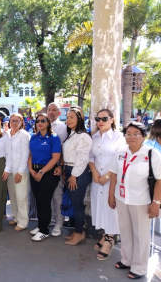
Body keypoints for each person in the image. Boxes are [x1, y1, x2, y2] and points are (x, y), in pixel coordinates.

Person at [109, 122, 161, 279]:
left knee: (141, 234)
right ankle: (127, 260)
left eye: (136, 133)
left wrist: (156, 203)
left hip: (142, 201)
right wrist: (111, 195)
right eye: (128, 134)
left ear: (143, 136)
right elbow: (114, 175)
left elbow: (159, 180)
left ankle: (139, 267)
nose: (131, 137)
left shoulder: (152, 154)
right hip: (121, 198)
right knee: (125, 231)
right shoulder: (120, 152)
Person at [88, 109, 125, 261]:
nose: (100, 121)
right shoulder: (94, 137)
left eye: (104, 118)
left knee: (111, 207)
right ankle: (105, 233)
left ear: (112, 119)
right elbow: (90, 157)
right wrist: (95, 172)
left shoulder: (119, 137)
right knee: (101, 207)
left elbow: (120, 158)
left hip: (113, 178)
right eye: (98, 118)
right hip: (97, 178)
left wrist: (108, 175)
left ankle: (110, 239)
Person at [28, 114, 62, 241]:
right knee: (38, 200)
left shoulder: (54, 138)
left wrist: (41, 172)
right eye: (38, 121)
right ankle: (41, 225)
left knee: (44, 201)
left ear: (48, 123)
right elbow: (30, 155)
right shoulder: (33, 137)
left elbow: (55, 158)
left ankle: (44, 230)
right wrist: (31, 170)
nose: (40, 123)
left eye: (43, 120)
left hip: (47, 172)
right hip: (34, 171)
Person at [62, 107, 92, 246]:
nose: (68, 120)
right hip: (69, 170)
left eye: (72, 117)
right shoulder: (72, 134)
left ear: (79, 118)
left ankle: (79, 233)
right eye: (67, 117)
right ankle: (78, 231)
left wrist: (73, 175)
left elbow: (82, 158)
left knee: (78, 205)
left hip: (78, 172)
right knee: (75, 204)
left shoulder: (83, 136)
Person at [6, 113, 31, 232]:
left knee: (22, 197)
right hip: (9, 171)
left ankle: (23, 221)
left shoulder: (24, 135)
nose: (14, 123)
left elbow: (26, 154)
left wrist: (20, 172)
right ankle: (16, 217)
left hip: (20, 171)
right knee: (13, 196)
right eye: (12, 121)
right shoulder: (7, 134)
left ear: (21, 122)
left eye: (17, 121)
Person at [47, 102, 68, 236]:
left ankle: (59, 223)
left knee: (57, 196)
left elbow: (63, 150)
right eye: (49, 110)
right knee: (47, 196)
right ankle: (52, 218)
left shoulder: (62, 128)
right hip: (43, 166)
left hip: (56, 167)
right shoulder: (42, 124)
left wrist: (61, 166)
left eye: (54, 110)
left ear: (59, 113)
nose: (51, 112)